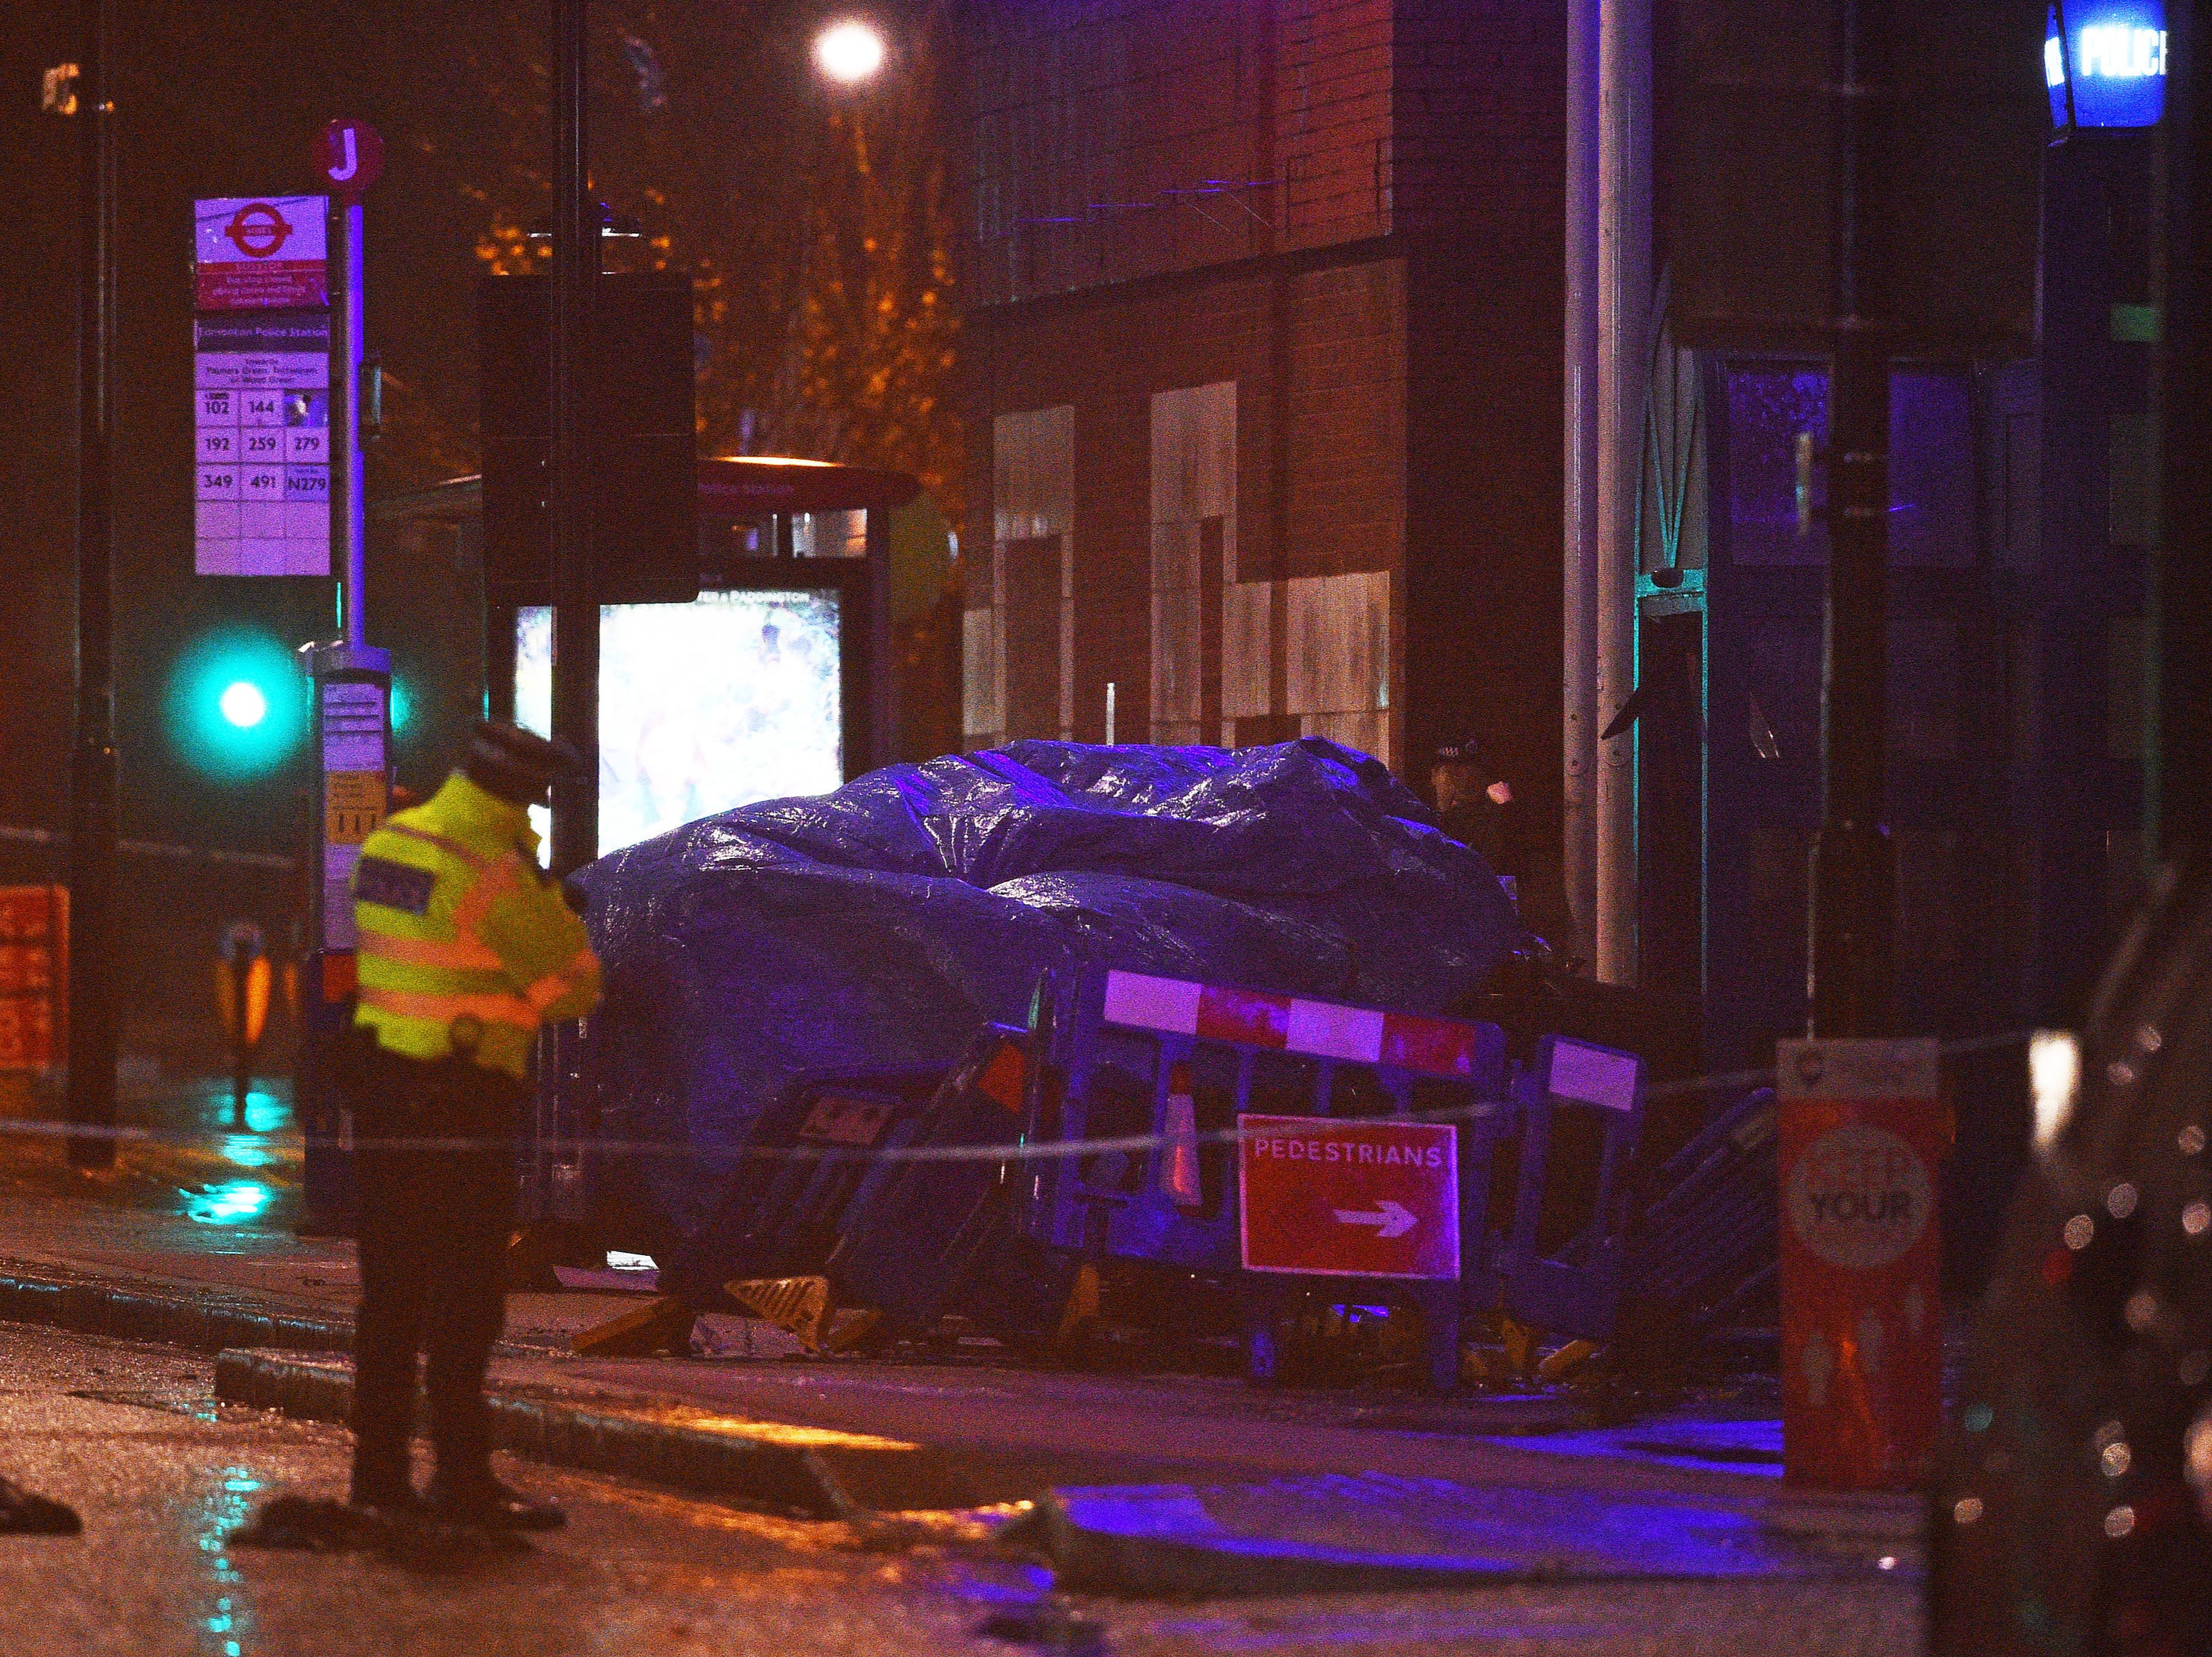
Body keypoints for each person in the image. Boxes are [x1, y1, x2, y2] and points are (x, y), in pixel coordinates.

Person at [346, 723, 601, 1529]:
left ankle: (377, 1481)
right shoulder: (496, 873)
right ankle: (461, 1477)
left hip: (383, 1095)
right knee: (465, 1302)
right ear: (521, 796)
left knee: (388, 1301)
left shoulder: (393, 841)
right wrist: (557, 905)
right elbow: (571, 991)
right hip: (463, 1103)